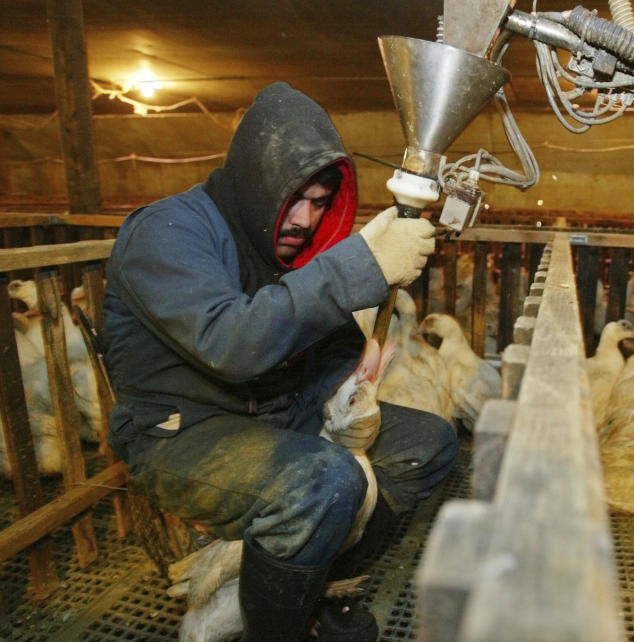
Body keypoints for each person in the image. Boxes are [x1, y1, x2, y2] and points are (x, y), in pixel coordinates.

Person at [102, 82, 458, 641]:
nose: (306, 218)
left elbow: (329, 341)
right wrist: (359, 268)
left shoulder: (282, 245)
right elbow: (231, 342)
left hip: (272, 418)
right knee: (326, 481)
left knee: (427, 444)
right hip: (181, 435)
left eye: (320, 203)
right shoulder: (168, 233)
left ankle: (311, 589)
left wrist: (347, 379)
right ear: (252, 181)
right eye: (294, 198)